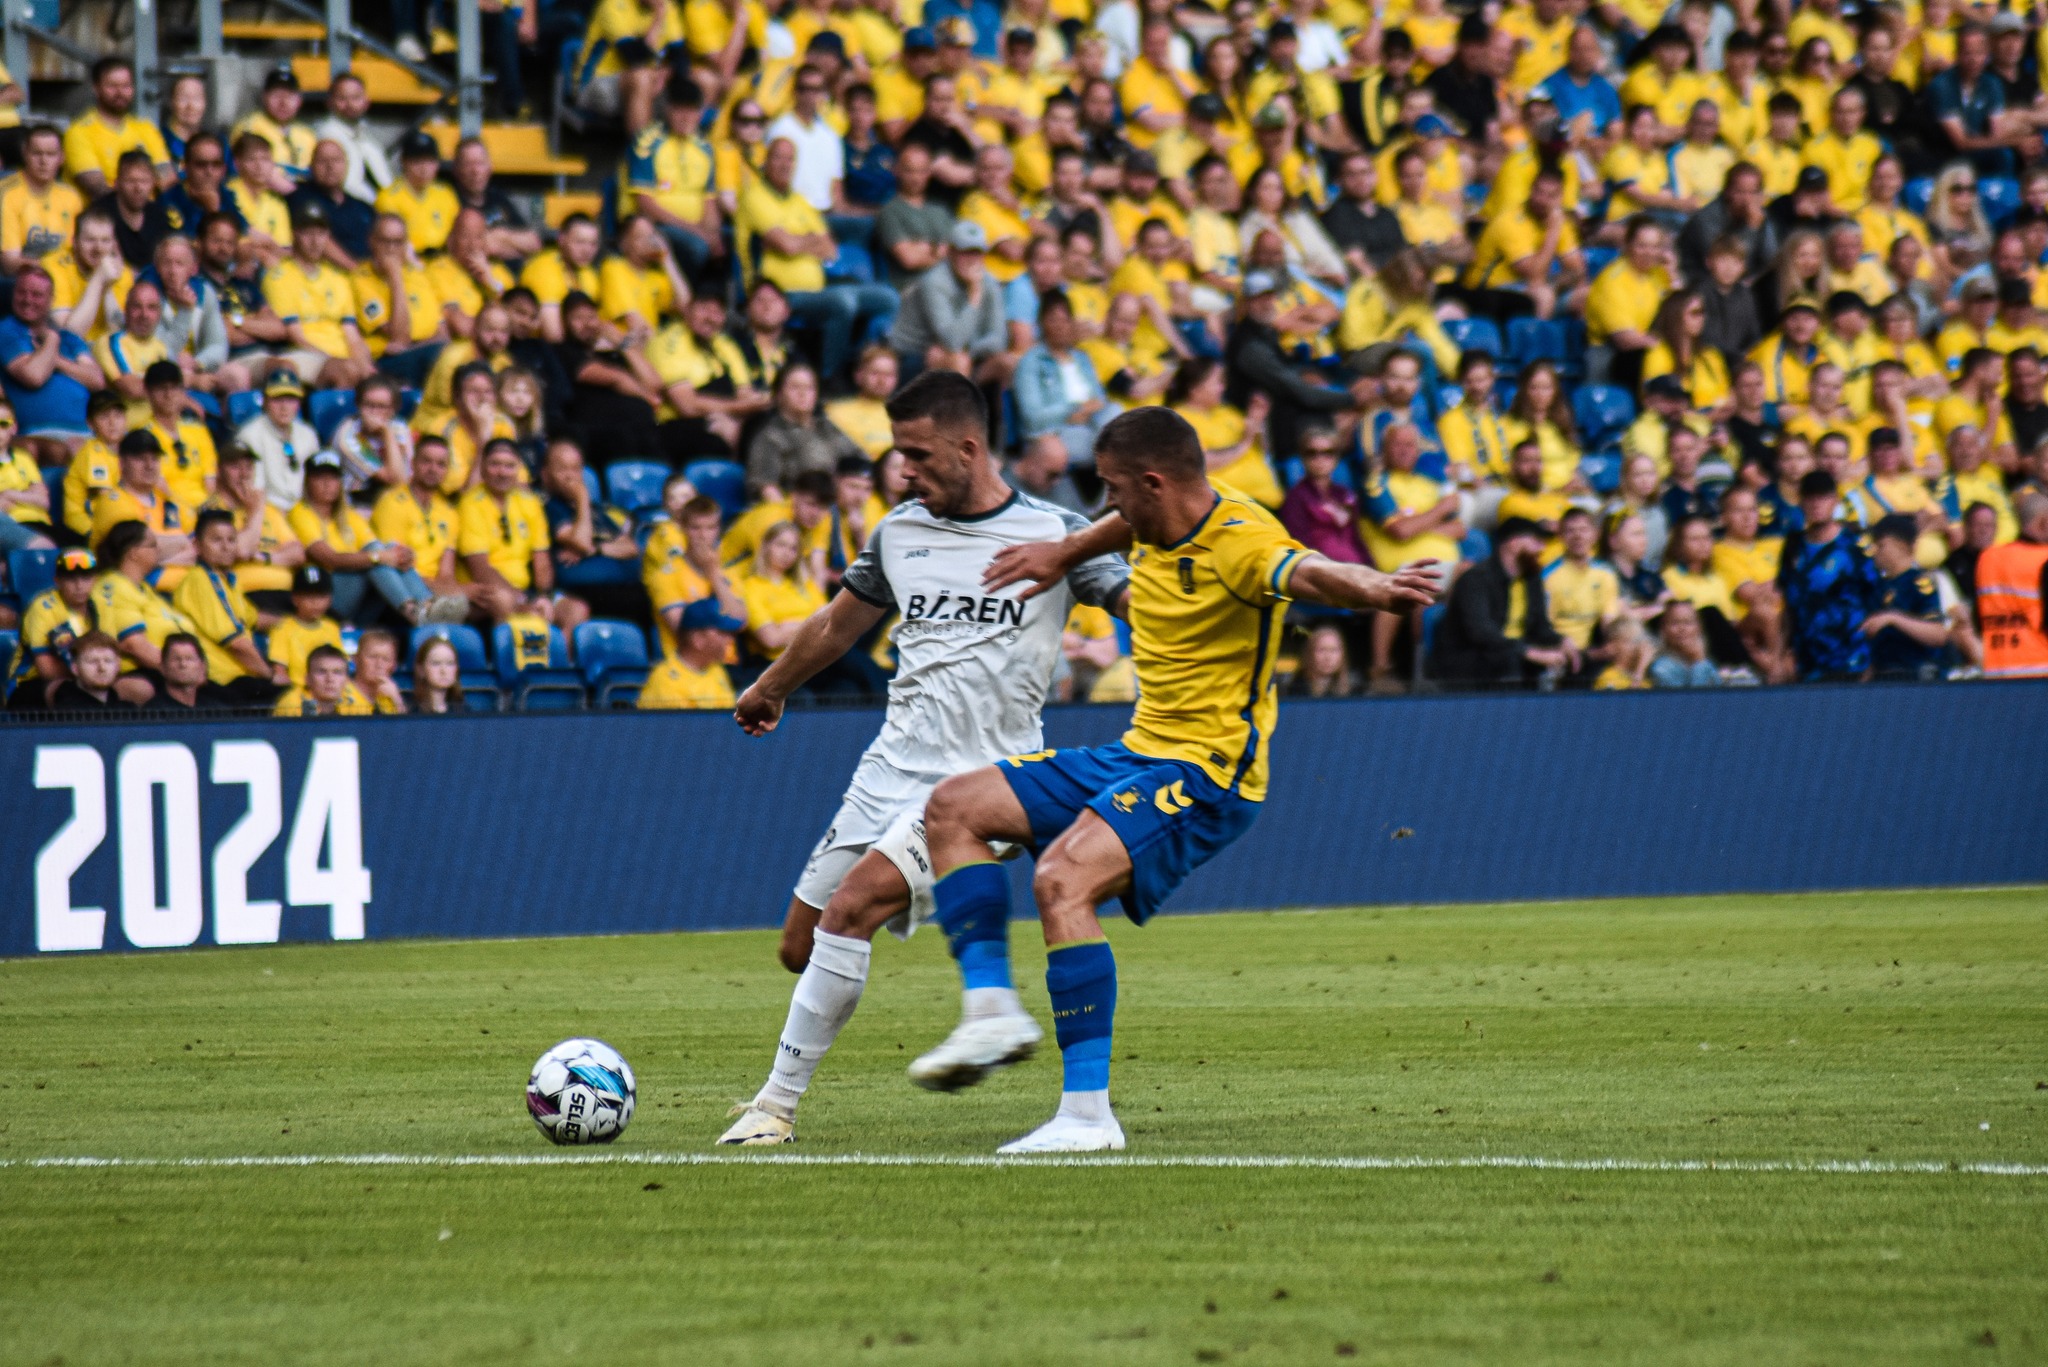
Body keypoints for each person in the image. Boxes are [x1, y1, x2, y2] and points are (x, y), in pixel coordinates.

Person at [890, 405, 1435, 1153]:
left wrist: (1375, 589)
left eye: (1114, 487)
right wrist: (1063, 553)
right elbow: (1119, 527)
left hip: (1208, 772)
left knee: (1062, 879)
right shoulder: (1154, 519)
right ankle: (991, 1012)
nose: (1107, 504)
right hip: (1140, 750)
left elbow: (1309, 572)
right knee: (954, 807)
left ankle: (1087, 1116)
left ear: (1153, 483)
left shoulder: (1243, 542)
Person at [716, 370, 1132, 1147]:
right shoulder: (899, 532)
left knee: (851, 908)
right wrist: (769, 688)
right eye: (898, 453)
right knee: (801, 945)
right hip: (889, 768)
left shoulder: (1055, 530)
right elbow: (837, 624)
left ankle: (773, 1108)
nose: (902, 470)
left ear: (968, 448)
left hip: (985, 785)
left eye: (916, 454)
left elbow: (1131, 599)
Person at [291, 450, 438, 624]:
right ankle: (415, 611)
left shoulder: (349, 515)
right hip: (325, 597)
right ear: (308, 482)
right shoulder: (300, 512)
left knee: (387, 550)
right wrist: (378, 557)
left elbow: (375, 547)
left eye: (333, 478)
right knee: (374, 559)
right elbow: (331, 559)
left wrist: (400, 555)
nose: (327, 484)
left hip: (359, 603)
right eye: (320, 477)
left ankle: (429, 607)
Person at [1432, 516, 1576, 689]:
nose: (1542, 548)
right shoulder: (1476, 579)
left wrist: (1561, 641)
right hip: (1472, 663)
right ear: (1513, 543)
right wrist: (1529, 652)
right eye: (1536, 541)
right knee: (1509, 661)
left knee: (1574, 659)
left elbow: (1540, 627)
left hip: (1515, 656)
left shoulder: (1531, 579)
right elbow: (1481, 633)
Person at [459, 437, 580, 632]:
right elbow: (481, 569)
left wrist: (543, 596)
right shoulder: (470, 504)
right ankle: (511, 651)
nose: (502, 472)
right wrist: (522, 600)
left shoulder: (529, 502)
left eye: (509, 466)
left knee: (575, 610)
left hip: (526, 592)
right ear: (482, 468)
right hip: (489, 591)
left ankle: (558, 653)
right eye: (495, 464)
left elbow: (541, 560)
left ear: (518, 469)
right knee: (510, 604)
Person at [170, 507, 285, 705]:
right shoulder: (200, 580)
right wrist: (270, 675)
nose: (225, 547)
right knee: (290, 698)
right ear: (197, 545)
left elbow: (254, 618)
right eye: (216, 540)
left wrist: (293, 621)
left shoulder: (228, 579)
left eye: (231, 540)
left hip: (242, 675)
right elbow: (236, 644)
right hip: (222, 680)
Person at [1775, 469, 1880, 679]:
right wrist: (1782, 653)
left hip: (1852, 659)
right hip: (1807, 662)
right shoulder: (1793, 546)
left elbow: (1875, 602)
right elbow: (1788, 606)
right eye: (1810, 498)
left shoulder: (1855, 545)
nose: (1816, 504)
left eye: (1823, 497)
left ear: (1835, 501)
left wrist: (1874, 660)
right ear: (1801, 502)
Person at [265, 200, 372, 388]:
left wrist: (364, 367)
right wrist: (337, 362)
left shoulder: (338, 278)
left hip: (345, 358)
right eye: (308, 233)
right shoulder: (279, 277)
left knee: (375, 380)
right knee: (344, 372)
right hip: (304, 355)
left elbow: (352, 336)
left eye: (321, 234)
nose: (315, 241)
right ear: (295, 234)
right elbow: (296, 337)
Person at [2, 264, 104, 458]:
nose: (28, 300)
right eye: (22, 292)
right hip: (36, 434)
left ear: (51, 300)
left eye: (37, 295)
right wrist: (52, 340)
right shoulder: (7, 330)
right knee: (62, 452)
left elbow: (96, 380)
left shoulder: (69, 339)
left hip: (83, 433)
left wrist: (56, 360)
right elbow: (33, 376)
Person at [889, 220, 1010, 383]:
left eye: (977, 253)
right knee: (956, 360)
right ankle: (958, 400)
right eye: (965, 252)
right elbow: (952, 341)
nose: (972, 259)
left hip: (963, 352)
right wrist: (974, 296)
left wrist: (971, 350)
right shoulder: (934, 282)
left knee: (1008, 363)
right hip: (913, 353)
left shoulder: (989, 282)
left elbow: (998, 338)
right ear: (951, 252)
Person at [1010, 291, 1116, 467]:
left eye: (1065, 320)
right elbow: (1032, 418)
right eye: (1053, 320)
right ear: (1042, 323)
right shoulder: (1031, 362)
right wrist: (1073, 410)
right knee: (1116, 448)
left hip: (1093, 426)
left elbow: (1099, 400)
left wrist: (1088, 411)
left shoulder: (1082, 358)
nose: (1060, 326)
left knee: (1115, 412)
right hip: (1056, 433)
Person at [745, 362, 867, 497]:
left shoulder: (826, 427)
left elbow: (860, 459)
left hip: (836, 502)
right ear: (778, 394)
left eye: (809, 388)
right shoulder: (770, 435)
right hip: (795, 504)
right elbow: (766, 486)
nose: (803, 393)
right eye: (795, 387)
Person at [62, 57, 173, 199]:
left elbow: (168, 180)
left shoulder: (146, 128)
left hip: (149, 210)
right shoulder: (79, 132)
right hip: (103, 212)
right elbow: (99, 190)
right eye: (112, 86)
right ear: (96, 89)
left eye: (126, 86)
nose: (120, 92)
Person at [7, 546, 97, 708]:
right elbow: (45, 668)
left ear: (95, 579)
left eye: (85, 578)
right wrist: (90, 677)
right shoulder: (42, 607)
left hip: (85, 679)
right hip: (31, 685)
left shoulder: (100, 605)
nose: (79, 585)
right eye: (71, 579)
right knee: (73, 695)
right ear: (57, 581)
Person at [1864, 513, 1950, 679]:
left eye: (1881, 545)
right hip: (1883, 676)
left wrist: (1894, 619)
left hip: (1915, 676)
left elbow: (1938, 634)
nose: (1875, 552)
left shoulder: (1919, 583)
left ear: (1902, 546)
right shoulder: (1878, 587)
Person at [1973, 491, 2048, 677]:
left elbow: (1977, 618)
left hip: (1997, 671)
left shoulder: (1987, 557)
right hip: (2040, 671)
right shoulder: (2044, 559)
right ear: (2044, 522)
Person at [1, 125, 84, 277]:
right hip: (20, 279)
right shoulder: (6, 193)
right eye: (37, 153)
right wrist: (54, 267)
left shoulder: (71, 197)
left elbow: (79, 251)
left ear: (62, 158)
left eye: (51, 154)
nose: (43, 161)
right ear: (25, 154)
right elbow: (10, 264)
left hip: (62, 276)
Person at [639, 597, 747, 709]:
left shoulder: (716, 670)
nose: (730, 640)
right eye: (722, 633)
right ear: (698, 639)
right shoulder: (667, 682)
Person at [236, 369, 321, 512]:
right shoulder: (249, 436)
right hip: (267, 510)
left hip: (305, 510)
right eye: (277, 399)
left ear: (299, 404)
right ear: (265, 402)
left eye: (290, 400)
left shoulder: (308, 435)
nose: (284, 407)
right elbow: (252, 490)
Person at [287, 140, 376, 267]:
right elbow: (319, 240)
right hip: (328, 273)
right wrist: (355, 270)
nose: (330, 167)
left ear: (346, 165)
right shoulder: (301, 196)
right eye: (322, 161)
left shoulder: (363, 207)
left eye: (336, 160)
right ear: (311, 166)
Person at [314, 71, 393, 204]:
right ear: (329, 102)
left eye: (356, 98)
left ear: (366, 102)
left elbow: (386, 183)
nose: (349, 104)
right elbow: (348, 186)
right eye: (342, 98)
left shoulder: (369, 140)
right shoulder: (327, 135)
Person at [266, 563, 343, 686]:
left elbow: (341, 666)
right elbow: (280, 670)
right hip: (297, 688)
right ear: (295, 599)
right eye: (309, 596)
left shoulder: (332, 627)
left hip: (329, 689)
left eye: (321, 596)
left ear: (330, 599)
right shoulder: (282, 628)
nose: (315, 602)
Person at [273, 641, 371, 715]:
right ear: (307, 679)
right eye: (322, 672)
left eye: (337, 673)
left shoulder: (357, 703)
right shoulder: (292, 705)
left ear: (347, 680)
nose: (330, 679)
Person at [142, 631, 233, 711]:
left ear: (202, 667)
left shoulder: (216, 711)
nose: (183, 664)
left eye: (189, 659)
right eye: (176, 659)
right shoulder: (153, 713)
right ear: (162, 667)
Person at [49, 629, 134, 711]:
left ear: (118, 666)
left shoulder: (129, 711)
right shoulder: (63, 714)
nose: (102, 668)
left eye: (108, 661)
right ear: (75, 668)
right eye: (92, 661)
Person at [1647, 600, 1721, 686]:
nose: (1682, 629)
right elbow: (1694, 694)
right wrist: (1698, 661)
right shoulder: (1660, 668)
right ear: (1663, 629)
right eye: (1675, 623)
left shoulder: (1706, 661)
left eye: (1688, 622)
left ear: (1699, 627)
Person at [1286, 623, 1356, 697]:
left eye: (1333, 650)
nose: (1328, 657)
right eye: (1322, 650)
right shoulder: (1295, 691)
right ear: (1309, 653)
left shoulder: (1355, 691)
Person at [410, 634, 464, 713]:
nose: (443, 671)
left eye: (450, 663)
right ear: (421, 669)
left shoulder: (465, 713)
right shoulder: (411, 714)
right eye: (436, 663)